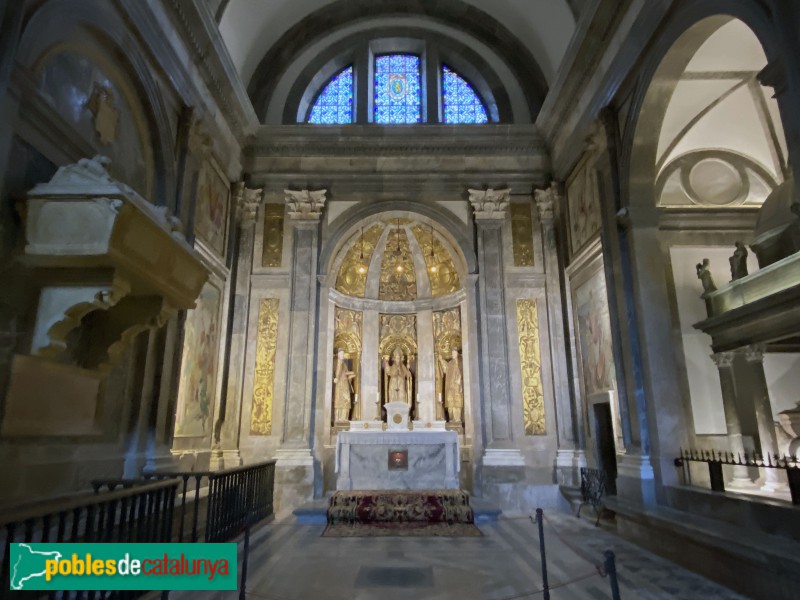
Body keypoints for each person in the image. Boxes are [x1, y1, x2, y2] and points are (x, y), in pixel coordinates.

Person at [438, 349, 464, 423]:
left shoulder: (461, 362)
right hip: (450, 386)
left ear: (457, 354)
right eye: (452, 353)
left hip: (457, 386)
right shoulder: (450, 363)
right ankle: (451, 418)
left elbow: (462, 371)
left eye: (454, 353)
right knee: (450, 402)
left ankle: (457, 419)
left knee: (457, 402)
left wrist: (459, 379)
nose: (453, 354)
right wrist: (441, 360)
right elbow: (446, 369)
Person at [333, 349, 355, 422]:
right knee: (340, 400)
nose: (342, 355)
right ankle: (338, 418)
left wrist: (351, 375)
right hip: (340, 384)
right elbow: (336, 374)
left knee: (347, 400)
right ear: (338, 355)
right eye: (341, 354)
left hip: (345, 384)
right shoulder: (336, 362)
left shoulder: (344, 364)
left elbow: (346, 373)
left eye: (343, 354)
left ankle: (344, 418)